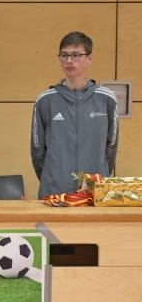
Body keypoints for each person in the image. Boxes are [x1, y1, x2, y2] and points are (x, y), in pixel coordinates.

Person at [31, 31, 119, 199]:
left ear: (89, 59)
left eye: (76, 55)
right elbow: (37, 151)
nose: (69, 60)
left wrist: (99, 177)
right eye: (64, 55)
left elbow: (111, 149)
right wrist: (54, 177)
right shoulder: (45, 100)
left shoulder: (106, 99)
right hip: (55, 194)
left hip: (95, 193)